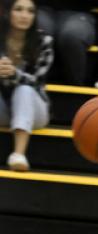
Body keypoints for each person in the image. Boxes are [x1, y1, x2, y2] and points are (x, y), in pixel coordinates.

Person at [0, 0, 53, 171]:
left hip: (33, 109)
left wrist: (14, 74)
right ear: (8, 12)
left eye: (30, 11)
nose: (25, 16)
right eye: (19, 10)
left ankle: (19, 154)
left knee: (24, 89)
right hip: (3, 108)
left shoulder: (44, 41)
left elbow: (37, 81)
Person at [36, 0, 98, 86]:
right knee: (39, 29)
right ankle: (33, 84)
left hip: (79, 11)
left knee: (72, 35)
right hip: (41, 7)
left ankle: (75, 89)